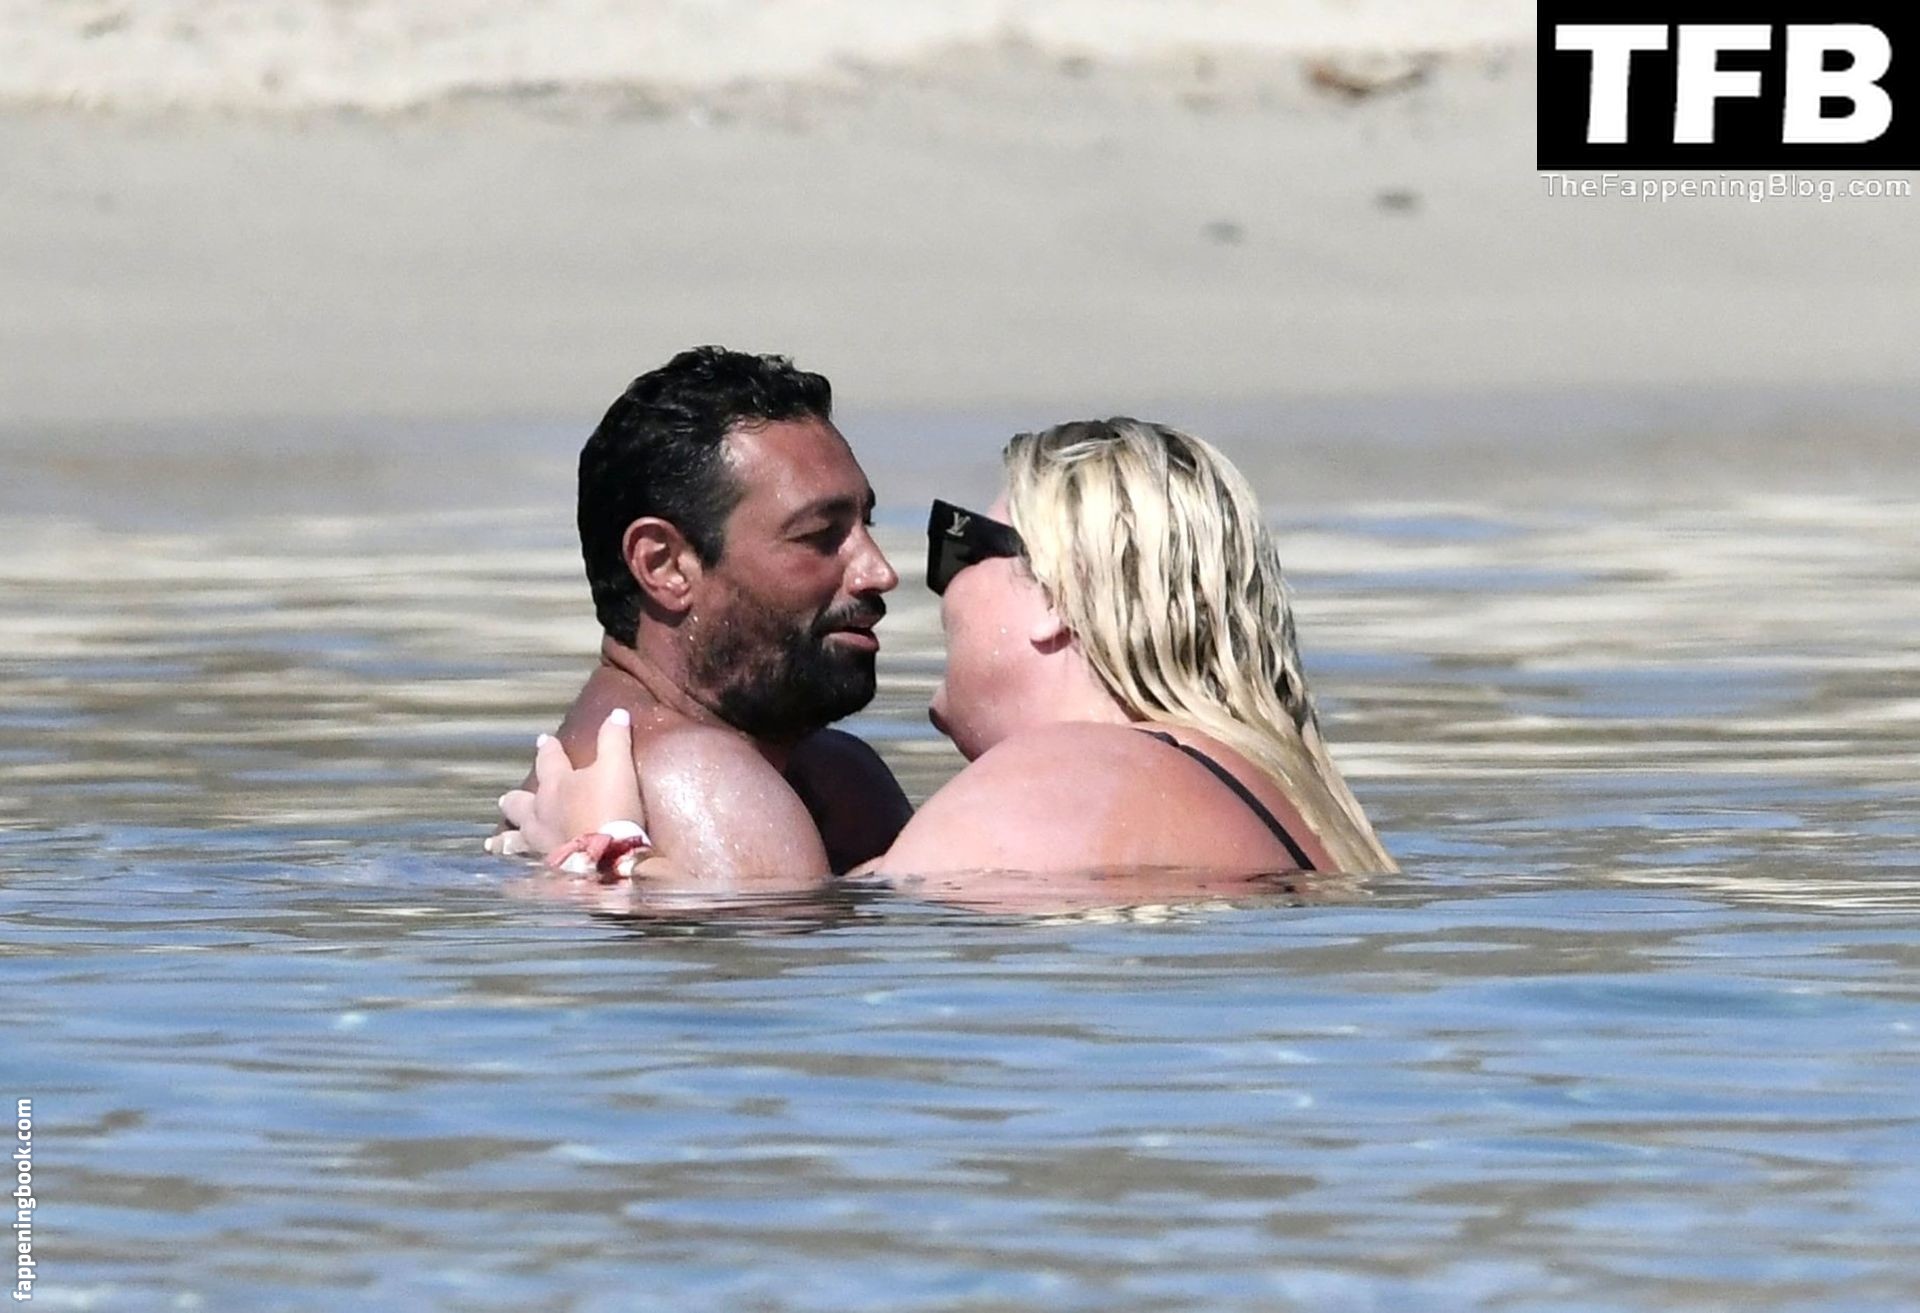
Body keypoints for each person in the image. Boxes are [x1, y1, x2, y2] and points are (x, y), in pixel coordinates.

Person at [516, 417, 1396, 887]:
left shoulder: (1063, 776)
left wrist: (597, 858)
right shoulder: (1274, 788)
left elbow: (794, 960)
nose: (906, 577)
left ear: (1055, 599)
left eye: (963, 547)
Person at [490, 346, 912, 879]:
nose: (878, 572)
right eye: (819, 535)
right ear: (664, 565)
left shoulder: (830, 771)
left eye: (865, 525)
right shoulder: (701, 777)